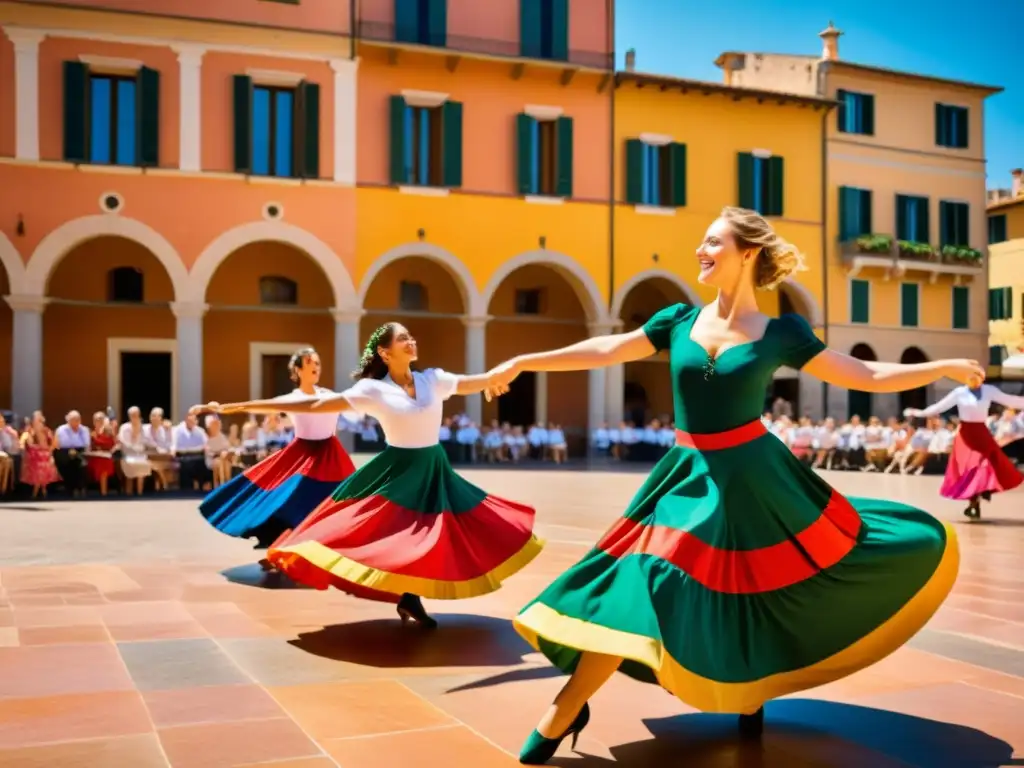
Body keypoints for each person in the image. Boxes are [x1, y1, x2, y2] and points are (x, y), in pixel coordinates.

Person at [479, 207, 980, 765]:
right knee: (642, 572)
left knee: (754, 587)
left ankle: (747, 688)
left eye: (713, 241)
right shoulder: (676, 320)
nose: (700, 249)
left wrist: (944, 366)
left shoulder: (782, 333)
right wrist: (526, 360)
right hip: (686, 476)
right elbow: (606, 349)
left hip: (756, 477)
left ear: (748, 253)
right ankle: (569, 705)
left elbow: (865, 376)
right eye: (702, 239)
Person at [199, 323, 543, 629]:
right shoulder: (373, 389)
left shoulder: (433, 379)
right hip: (398, 470)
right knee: (390, 535)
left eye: (411, 335)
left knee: (448, 532)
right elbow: (315, 406)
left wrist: (508, 371)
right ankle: (401, 592)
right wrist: (241, 407)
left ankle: (410, 597)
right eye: (403, 338)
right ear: (385, 351)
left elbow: (479, 381)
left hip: (433, 468)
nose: (411, 340)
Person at [197, 348, 356, 551]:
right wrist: (226, 407)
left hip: (331, 455)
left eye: (317, 363)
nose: (315, 367)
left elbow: (355, 404)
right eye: (310, 363)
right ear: (298, 370)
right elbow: (261, 405)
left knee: (342, 499)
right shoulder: (292, 398)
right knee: (291, 498)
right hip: (303, 455)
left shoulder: (330, 395)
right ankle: (281, 542)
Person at [905, 381, 1024, 519]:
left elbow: (1010, 400)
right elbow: (938, 407)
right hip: (966, 435)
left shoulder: (988, 390)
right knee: (970, 468)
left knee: (984, 464)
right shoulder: (959, 392)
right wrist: (917, 412)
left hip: (981, 432)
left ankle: (978, 496)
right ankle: (975, 501)